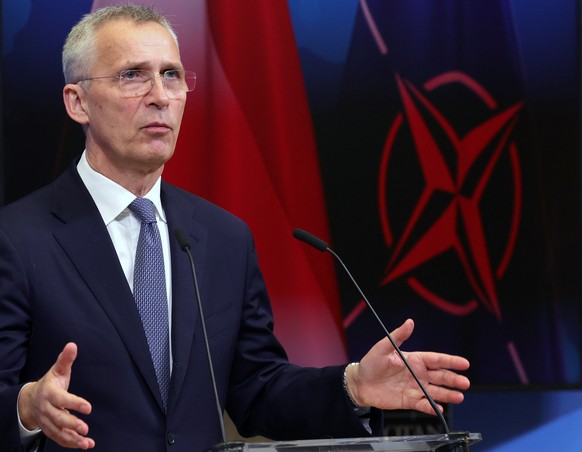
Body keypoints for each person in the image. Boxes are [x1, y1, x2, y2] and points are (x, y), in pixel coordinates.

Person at [0, 5, 470, 451]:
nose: (160, 96)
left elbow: (256, 389)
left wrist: (352, 386)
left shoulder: (223, 239)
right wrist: (25, 409)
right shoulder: (18, 239)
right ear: (77, 102)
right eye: (132, 75)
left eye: (172, 75)